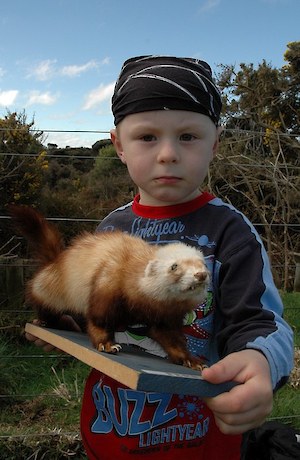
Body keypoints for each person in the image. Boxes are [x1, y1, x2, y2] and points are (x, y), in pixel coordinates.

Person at [26, 55, 294, 459]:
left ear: (215, 143)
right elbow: (101, 314)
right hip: (110, 429)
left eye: (188, 137)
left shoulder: (232, 232)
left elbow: (262, 322)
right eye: (147, 137)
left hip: (199, 439)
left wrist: (260, 362)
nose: (168, 153)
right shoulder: (111, 229)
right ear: (118, 145)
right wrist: (68, 328)